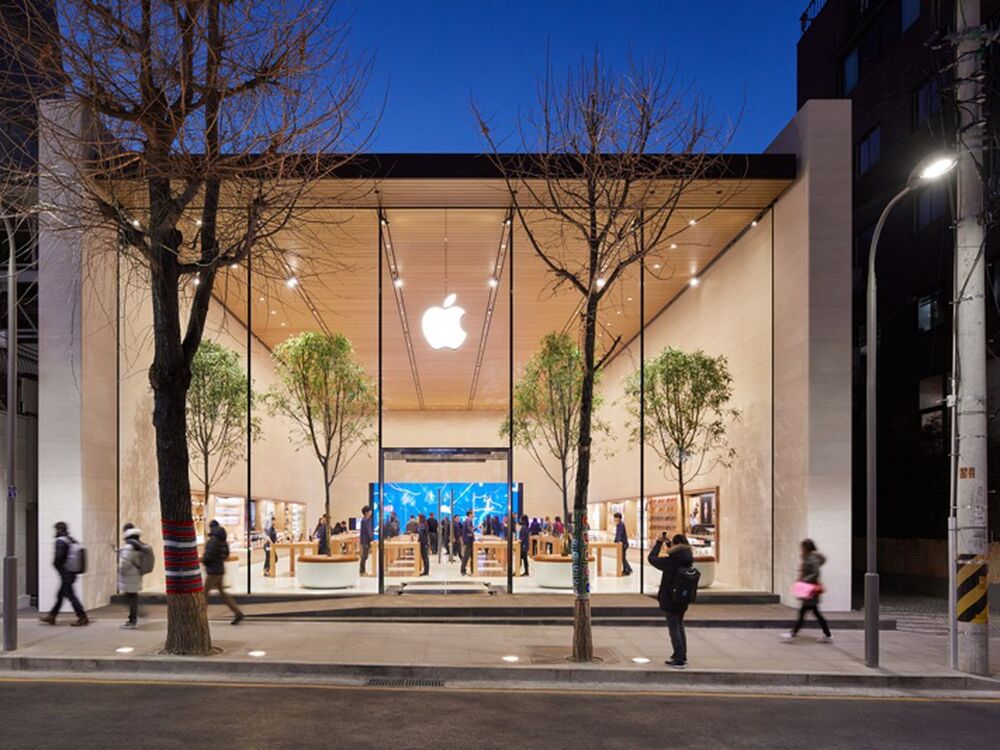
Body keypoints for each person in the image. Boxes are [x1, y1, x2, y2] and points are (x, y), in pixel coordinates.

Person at [648, 532, 694, 669]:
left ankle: (679, 658)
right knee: (680, 626)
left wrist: (659, 543)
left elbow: (652, 558)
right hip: (682, 598)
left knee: (674, 629)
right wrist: (669, 545)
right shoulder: (687, 558)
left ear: (675, 545)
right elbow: (676, 554)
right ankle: (681, 655)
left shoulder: (671, 562)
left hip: (670, 598)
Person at [783, 539, 833, 643]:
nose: (801, 549)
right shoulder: (808, 557)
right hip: (810, 590)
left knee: (806, 613)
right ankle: (827, 634)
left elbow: (815, 573)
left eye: (803, 547)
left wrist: (804, 581)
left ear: (807, 547)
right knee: (812, 613)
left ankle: (794, 633)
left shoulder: (812, 558)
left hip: (810, 590)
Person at [39, 521, 88, 626]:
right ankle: (52, 616)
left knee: (71, 596)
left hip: (66, 572)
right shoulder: (71, 540)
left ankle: (82, 617)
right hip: (72, 572)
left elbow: (59, 557)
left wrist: (57, 566)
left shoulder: (61, 541)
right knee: (60, 595)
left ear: (58, 529)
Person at [202, 520, 244, 625]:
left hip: (213, 571)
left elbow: (209, 555)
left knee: (204, 594)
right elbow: (226, 554)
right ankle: (237, 612)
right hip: (220, 570)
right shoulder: (223, 540)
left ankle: (201, 617)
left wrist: (204, 560)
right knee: (223, 593)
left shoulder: (213, 540)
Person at [118, 524, 152, 629]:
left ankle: (133, 620)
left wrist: (119, 570)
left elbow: (125, 563)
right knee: (132, 596)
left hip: (129, 575)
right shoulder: (138, 545)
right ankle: (135, 615)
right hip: (136, 574)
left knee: (129, 597)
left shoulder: (129, 546)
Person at [359, 505, 374, 575]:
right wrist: (372, 539)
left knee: (365, 556)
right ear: (366, 512)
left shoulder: (367, 520)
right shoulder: (365, 520)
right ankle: (362, 571)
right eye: (370, 511)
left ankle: (363, 571)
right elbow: (368, 531)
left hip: (366, 540)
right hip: (365, 541)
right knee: (364, 556)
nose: (371, 512)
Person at [460, 509, 475, 576]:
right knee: (466, 556)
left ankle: (472, 570)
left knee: (471, 555)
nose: (474, 515)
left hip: (468, 540)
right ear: (470, 514)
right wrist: (475, 528)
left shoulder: (467, 520)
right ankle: (463, 570)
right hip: (469, 540)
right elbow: (470, 530)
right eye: (473, 513)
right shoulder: (469, 520)